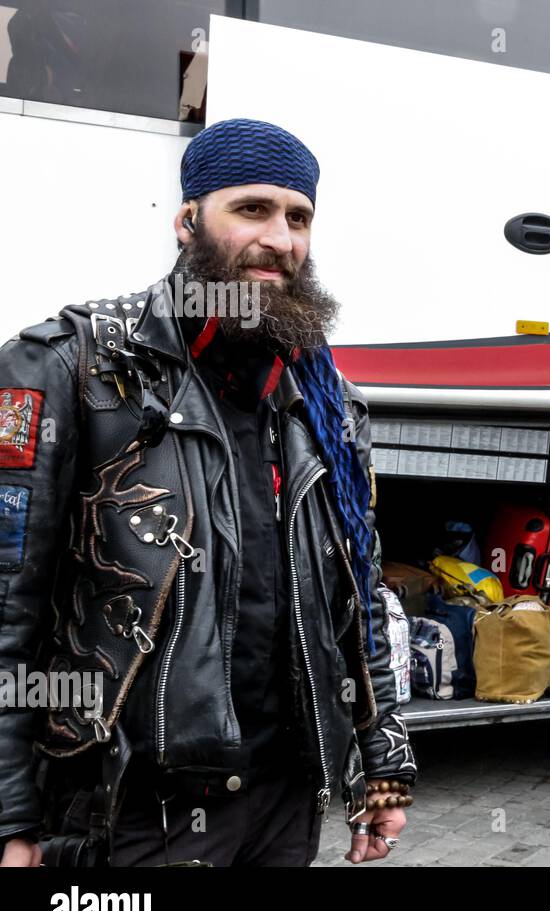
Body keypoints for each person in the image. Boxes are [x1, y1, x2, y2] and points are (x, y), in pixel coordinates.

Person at [0, 118, 416, 867]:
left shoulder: (324, 398)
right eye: (252, 209)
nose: (281, 239)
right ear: (188, 220)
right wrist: (12, 820)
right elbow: (7, 605)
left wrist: (382, 767)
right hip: (130, 804)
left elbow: (358, 595)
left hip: (285, 798)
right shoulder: (74, 365)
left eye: (299, 218)